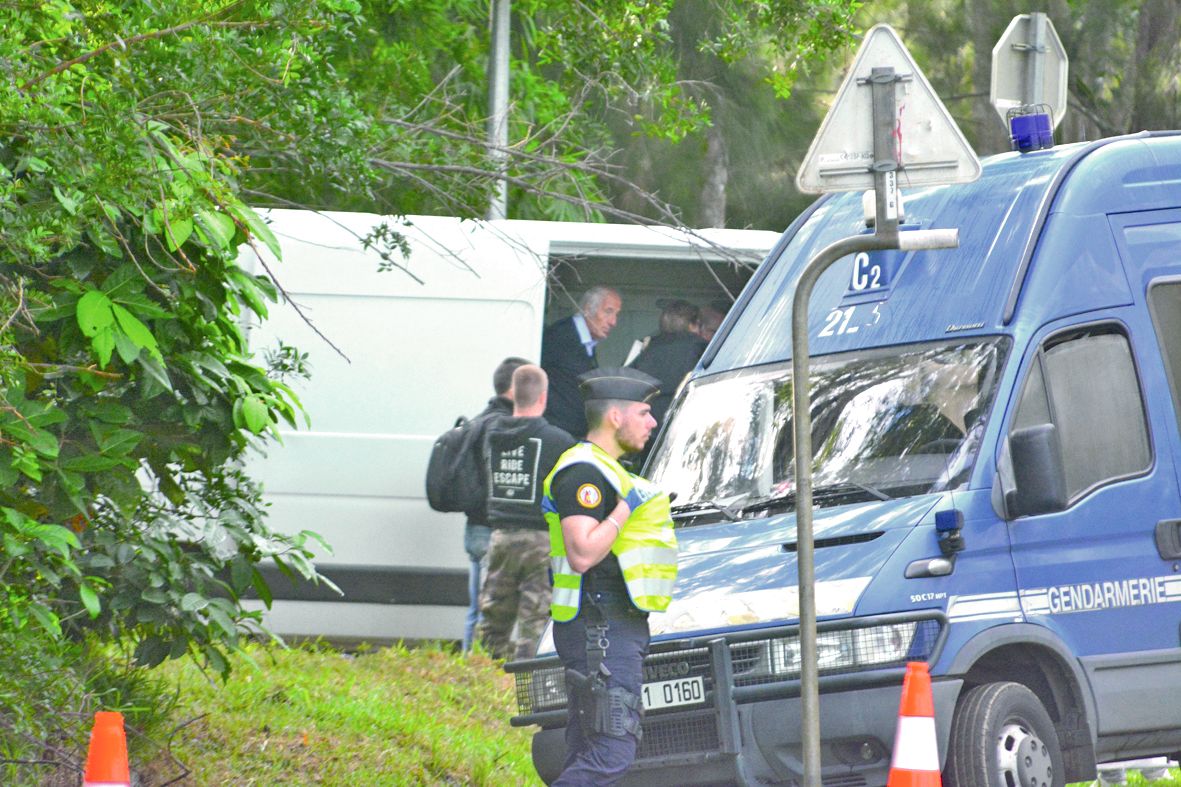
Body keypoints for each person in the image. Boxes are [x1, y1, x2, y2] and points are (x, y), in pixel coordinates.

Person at [542, 366, 677, 785]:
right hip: (598, 627)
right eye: (644, 413)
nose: (652, 422)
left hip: (609, 624)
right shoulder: (583, 472)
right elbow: (582, 553)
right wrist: (626, 509)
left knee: (590, 747)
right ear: (616, 416)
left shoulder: (609, 471)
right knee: (610, 749)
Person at [476, 365, 576, 660]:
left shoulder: (491, 436)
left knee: (493, 616)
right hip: (541, 542)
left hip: (500, 538)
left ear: (513, 395)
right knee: (535, 619)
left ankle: (487, 670)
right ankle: (527, 675)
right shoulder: (559, 442)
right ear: (543, 397)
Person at [461, 356, 529, 653]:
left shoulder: (480, 420)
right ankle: (477, 667)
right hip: (494, 528)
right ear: (514, 389)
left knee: (477, 611)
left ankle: (469, 664)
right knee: (490, 613)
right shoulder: (503, 427)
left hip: (476, 526)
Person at [541, 286, 622, 439]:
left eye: (616, 314)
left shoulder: (586, 342)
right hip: (557, 434)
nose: (613, 322)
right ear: (587, 309)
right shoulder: (558, 336)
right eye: (608, 311)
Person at [630, 299, 708, 435]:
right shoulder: (701, 348)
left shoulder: (646, 348)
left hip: (643, 427)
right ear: (693, 324)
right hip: (680, 426)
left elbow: (624, 382)